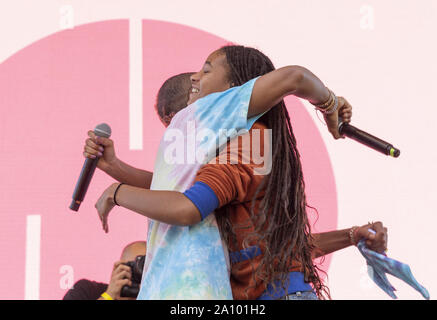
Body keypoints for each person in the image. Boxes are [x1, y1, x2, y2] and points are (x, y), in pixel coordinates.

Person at [85, 49, 386, 300]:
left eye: (205, 72)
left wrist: (116, 191)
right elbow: (280, 247)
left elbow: (187, 206)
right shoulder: (244, 147)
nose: (195, 78)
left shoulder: (248, 143)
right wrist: (116, 168)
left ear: (232, 94)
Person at [63, 241, 146, 300]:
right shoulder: (87, 291)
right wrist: (109, 296)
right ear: (120, 266)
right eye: (138, 266)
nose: (142, 272)